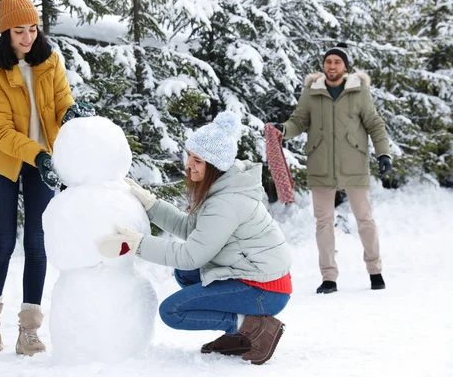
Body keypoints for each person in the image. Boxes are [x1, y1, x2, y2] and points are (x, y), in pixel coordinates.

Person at [98, 112, 292, 365]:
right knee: (186, 275)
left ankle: (256, 326)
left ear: (215, 166)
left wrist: (137, 244)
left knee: (173, 312)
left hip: (265, 290)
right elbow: (192, 231)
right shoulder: (222, 188)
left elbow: (191, 255)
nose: (189, 164)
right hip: (257, 278)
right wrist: (152, 205)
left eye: (198, 160)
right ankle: (240, 333)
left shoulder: (225, 202)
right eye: (190, 155)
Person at [0, 0, 95, 356]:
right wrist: (41, 155)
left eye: (32, 29)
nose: (27, 37)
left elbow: (62, 101)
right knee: (5, 242)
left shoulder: (51, 60)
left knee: (37, 244)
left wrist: (71, 115)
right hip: (6, 161)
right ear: (5, 32)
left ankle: (29, 329)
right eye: (18, 31)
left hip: (43, 159)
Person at [273, 43, 392, 294]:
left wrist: (383, 153)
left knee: (365, 219)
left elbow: (375, 124)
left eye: (337, 62)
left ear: (345, 67)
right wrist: (283, 130)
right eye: (328, 62)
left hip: (354, 163)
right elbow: (299, 121)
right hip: (320, 164)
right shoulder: (312, 91)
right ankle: (329, 278)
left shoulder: (358, 91)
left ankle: (375, 271)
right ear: (323, 65)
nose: (332, 66)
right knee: (323, 223)